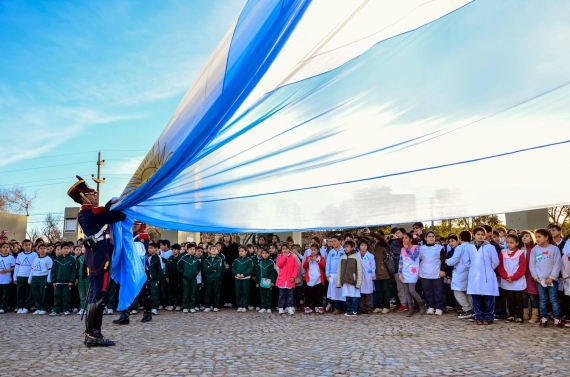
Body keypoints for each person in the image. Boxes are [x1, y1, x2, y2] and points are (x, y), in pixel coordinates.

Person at [69, 175, 126, 346]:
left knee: (96, 295)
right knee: (99, 296)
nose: (95, 195)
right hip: (101, 259)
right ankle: (94, 335)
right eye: (92, 193)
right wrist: (116, 204)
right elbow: (119, 216)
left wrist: (109, 204)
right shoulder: (89, 213)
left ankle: (91, 334)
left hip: (95, 258)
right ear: (84, 197)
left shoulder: (88, 213)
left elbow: (105, 212)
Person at [465, 227, 499, 325]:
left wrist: (487, 269)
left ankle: (488, 316)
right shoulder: (469, 247)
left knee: (488, 296)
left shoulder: (490, 247)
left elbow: (495, 261)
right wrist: (474, 268)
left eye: (482, 234)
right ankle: (478, 316)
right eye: (478, 234)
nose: (480, 236)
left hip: (487, 275)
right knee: (476, 296)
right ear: (474, 235)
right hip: (474, 274)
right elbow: (466, 261)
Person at [529, 229, 562, 327]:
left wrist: (552, 277)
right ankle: (543, 318)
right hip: (540, 280)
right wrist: (536, 277)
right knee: (543, 299)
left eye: (539, 237)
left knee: (554, 299)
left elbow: (557, 264)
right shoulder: (535, 250)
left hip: (552, 280)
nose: (537, 239)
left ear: (546, 237)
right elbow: (532, 264)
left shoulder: (554, 249)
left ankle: (557, 318)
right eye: (536, 237)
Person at [497, 234, 527, 323]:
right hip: (506, 279)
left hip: (517, 280)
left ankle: (520, 316)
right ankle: (511, 314)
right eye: (507, 242)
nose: (509, 244)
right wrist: (505, 276)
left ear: (517, 243)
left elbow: (522, 268)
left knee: (518, 299)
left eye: (511, 242)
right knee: (509, 299)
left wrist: (514, 277)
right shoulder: (503, 253)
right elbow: (500, 266)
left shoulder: (521, 253)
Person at [446, 231, 474, 319]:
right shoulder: (472, 247)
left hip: (460, 271)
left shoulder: (460, 248)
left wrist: (447, 261)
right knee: (468, 291)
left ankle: (467, 309)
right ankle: (472, 309)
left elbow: (454, 260)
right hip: (470, 271)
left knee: (457, 290)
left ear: (460, 238)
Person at [419, 231, 446, 315]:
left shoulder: (439, 248)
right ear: (425, 238)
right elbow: (418, 260)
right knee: (427, 291)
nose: (431, 238)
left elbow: (443, 260)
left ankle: (439, 307)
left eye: (433, 236)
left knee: (438, 291)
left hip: (437, 273)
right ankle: (430, 307)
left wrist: (442, 270)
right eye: (429, 236)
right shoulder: (421, 248)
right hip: (424, 273)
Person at [365, 229, 391, 314]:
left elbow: (381, 238)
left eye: (377, 235)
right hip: (374, 270)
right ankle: (380, 306)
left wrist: (371, 233)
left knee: (385, 289)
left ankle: (386, 306)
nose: (375, 237)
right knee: (378, 289)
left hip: (383, 269)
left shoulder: (383, 243)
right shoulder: (372, 244)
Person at [398, 233, 425, 317]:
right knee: (407, 292)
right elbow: (401, 261)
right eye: (403, 238)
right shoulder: (402, 249)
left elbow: (414, 258)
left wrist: (407, 249)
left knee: (412, 290)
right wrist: (400, 272)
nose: (404, 240)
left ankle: (422, 305)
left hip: (413, 272)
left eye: (406, 238)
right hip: (405, 272)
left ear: (411, 239)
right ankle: (410, 309)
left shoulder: (416, 248)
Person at [50, 242, 77, 316]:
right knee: (57, 296)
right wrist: (53, 280)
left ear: (70, 249)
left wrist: (72, 280)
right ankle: (56, 310)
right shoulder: (56, 259)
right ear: (61, 250)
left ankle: (67, 309)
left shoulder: (72, 259)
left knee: (66, 296)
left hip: (67, 282)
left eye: (67, 248)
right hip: (58, 282)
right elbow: (53, 270)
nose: (66, 250)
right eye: (64, 248)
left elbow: (74, 271)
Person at [337, 240, 362, 316]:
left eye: (347, 247)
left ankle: (354, 310)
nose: (346, 248)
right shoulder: (342, 258)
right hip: (345, 280)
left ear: (352, 247)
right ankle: (349, 309)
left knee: (354, 296)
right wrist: (338, 282)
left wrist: (358, 283)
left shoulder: (356, 257)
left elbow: (359, 271)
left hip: (353, 281)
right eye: (345, 247)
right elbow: (339, 270)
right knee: (347, 296)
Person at [520, 230, 540, 323]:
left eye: (527, 236)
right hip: (522, 276)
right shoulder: (520, 249)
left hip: (532, 275)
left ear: (531, 238)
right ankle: (525, 314)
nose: (524, 238)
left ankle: (535, 315)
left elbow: (540, 261)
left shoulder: (536, 249)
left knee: (533, 296)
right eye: (523, 236)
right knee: (524, 296)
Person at [13, 239, 37, 314]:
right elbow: (17, 267)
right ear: (22, 246)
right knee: (20, 291)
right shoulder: (20, 255)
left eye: (29, 245)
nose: (27, 246)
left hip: (29, 276)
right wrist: (15, 277)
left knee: (28, 292)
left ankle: (27, 306)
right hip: (20, 275)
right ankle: (20, 306)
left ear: (31, 246)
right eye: (26, 245)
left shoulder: (34, 255)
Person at [302, 243, 326, 314]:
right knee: (308, 294)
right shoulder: (308, 257)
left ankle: (320, 306)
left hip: (318, 279)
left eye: (315, 250)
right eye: (312, 250)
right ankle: (307, 307)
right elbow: (304, 266)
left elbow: (323, 265)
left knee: (319, 293)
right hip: (310, 278)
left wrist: (317, 260)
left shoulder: (320, 257)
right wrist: (307, 261)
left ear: (318, 250)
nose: (313, 251)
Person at [28, 244, 52, 315]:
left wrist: (48, 278)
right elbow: (32, 269)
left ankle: (44, 308)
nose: (42, 250)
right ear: (38, 250)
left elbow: (50, 270)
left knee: (43, 293)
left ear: (46, 250)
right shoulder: (35, 259)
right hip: (35, 277)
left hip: (43, 277)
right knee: (36, 293)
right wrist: (30, 278)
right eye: (41, 248)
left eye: (44, 248)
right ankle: (38, 307)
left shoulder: (48, 259)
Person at [275, 243, 298, 315]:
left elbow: (296, 268)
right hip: (282, 280)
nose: (285, 250)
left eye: (286, 248)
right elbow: (279, 265)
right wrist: (284, 257)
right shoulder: (279, 257)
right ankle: (281, 307)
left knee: (290, 295)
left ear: (289, 249)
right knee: (282, 295)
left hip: (290, 280)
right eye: (283, 249)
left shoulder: (293, 258)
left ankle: (290, 307)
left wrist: (293, 277)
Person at [325, 235, 346, 314]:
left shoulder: (344, 251)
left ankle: (345, 307)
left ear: (340, 241)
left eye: (335, 241)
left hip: (341, 274)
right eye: (332, 241)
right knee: (335, 292)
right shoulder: (331, 252)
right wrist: (327, 274)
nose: (333, 243)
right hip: (333, 274)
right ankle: (337, 308)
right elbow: (328, 264)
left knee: (343, 291)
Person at [177, 243, 199, 313]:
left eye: (193, 249)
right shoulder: (183, 258)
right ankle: (185, 306)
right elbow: (178, 266)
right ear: (187, 250)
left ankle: (191, 306)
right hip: (185, 278)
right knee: (186, 292)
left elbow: (199, 267)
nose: (192, 251)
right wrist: (183, 272)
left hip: (193, 278)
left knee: (193, 292)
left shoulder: (196, 258)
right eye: (190, 249)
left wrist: (196, 272)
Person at [232, 245, 254, 312]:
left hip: (246, 278)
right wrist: (236, 274)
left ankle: (245, 305)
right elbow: (233, 268)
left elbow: (250, 268)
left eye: (242, 251)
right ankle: (239, 305)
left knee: (245, 292)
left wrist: (244, 274)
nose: (241, 252)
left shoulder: (249, 260)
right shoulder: (236, 260)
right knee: (238, 291)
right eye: (240, 251)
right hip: (237, 278)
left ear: (246, 252)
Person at [203, 245, 224, 312]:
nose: (214, 250)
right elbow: (205, 268)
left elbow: (218, 268)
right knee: (208, 292)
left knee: (216, 292)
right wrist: (212, 269)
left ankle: (216, 306)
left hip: (216, 277)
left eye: (215, 249)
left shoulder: (219, 259)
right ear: (210, 250)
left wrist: (210, 267)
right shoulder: (206, 259)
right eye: (212, 249)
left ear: (217, 251)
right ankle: (207, 306)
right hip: (208, 277)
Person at [357, 239, 375, 314]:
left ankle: (369, 308)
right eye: (362, 245)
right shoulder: (356, 255)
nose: (364, 247)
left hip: (368, 276)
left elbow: (373, 266)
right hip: (359, 276)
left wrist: (371, 275)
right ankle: (362, 308)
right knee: (360, 293)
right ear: (359, 246)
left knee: (368, 293)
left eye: (365, 245)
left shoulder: (370, 256)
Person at [256, 249, 276, 313]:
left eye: (266, 253)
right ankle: (263, 307)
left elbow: (274, 272)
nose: (264, 254)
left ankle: (269, 307)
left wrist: (273, 281)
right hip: (261, 281)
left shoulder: (271, 262)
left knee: (269, 294)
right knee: (262, 294)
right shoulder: (260, 262)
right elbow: (258, 273)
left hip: (269, 281)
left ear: (268, 254)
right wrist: (257, 282)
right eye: (263, 253)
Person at [166, 244, 183, 311]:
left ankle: (178, 305)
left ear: (179, 250)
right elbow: (166, 268)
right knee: (170, 291)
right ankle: (171, 304)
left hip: (178, 278)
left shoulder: (181, 258)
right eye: (173, 249)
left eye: (175, 250)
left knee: (178, 292)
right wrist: (167, 276)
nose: (174, 251)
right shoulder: (170, 258)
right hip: (171, 278)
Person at [147, 242, 163, 315]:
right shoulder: (148, 257)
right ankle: (149, 307)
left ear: (156, 249)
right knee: (149, 294)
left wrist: (158, 279)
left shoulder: (158, 257)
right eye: (149, 248)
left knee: (154, 294)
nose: (149, 250)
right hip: (149, 279)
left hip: (155, 279)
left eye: (151, 248)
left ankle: (155, 308)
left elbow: (161, 269)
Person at [0, 242, 16, 314]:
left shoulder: (11, 258)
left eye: (7, 247)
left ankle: (3, 307)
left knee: (5, 294)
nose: (6, 249)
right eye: (4, 247)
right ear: (0, 249)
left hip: (6, 279)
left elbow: (13, 268)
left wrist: (7, 270)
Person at [76, 245, 89, 316]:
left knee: (88, 294)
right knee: (82, 294)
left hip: (89, 279)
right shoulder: (79, 258)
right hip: (81, 279)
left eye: (86, 247)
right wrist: (76, 278)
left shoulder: (91, 257)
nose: (84, 248)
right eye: (83, 247)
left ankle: (88, 308)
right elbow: (77, 269)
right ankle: (82, 308)